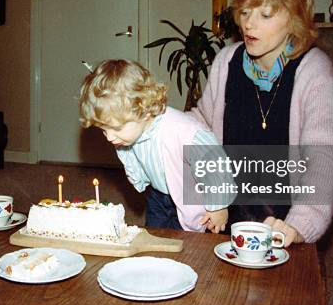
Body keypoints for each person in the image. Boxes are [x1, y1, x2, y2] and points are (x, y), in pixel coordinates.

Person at [189, 0, 333, 246]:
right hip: (228, 211)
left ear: (294, 21)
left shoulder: (313, 68)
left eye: (265, 15)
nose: (249, 24)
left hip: (285, 218)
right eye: (245, 12)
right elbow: (200, 124)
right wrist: (154, 123)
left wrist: (300, 224)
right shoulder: (226, 61)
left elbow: (323, 157)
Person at [79, 59, 232, 233]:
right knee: (155, 235)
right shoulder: (127, 133)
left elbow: (214, 159)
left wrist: (219, 205)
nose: (109, 137)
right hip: (158, 195)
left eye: (115, 128)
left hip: (190, 197)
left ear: (143, 110)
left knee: (191, 242)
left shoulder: (182, 130)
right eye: (103, 130)